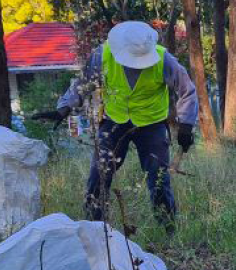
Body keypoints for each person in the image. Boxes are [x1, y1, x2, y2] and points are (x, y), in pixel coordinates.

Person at [31, 21, 198, 231]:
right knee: (98, 175)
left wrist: (186, 125)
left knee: (159, 178)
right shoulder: (104, 55)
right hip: (113, 121)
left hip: (152, 124)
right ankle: (95, 229)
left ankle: (168, 228)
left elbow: (187, 91)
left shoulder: (164, 59)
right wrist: (63, 109)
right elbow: (83, 83)